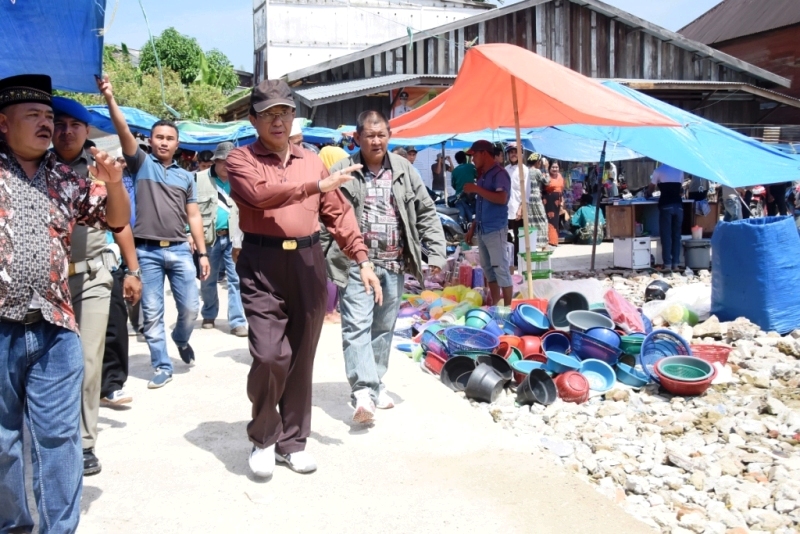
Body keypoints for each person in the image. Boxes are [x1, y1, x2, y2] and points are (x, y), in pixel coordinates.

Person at [226, 79, 381, 478]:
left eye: (284, 112)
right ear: (253, 119)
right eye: (268, 114)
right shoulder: (241, 160)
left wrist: (361, 258)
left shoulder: (312, 160)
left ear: (294, 117)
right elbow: (261, 195)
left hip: (308, 263)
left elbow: (339, 213)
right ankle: (263, 438)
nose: (277, 121)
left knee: (300, 358)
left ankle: (292, 442)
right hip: (261, 264)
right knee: (269, 355)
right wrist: (314, 186)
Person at [0, 74, 130, 533]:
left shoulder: (65, 178)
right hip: (1, 327)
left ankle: (60, 528)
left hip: (55, 327)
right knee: (3, 442)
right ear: (3, 122)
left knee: (60, 437)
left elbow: (115, 219)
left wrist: (114, 182)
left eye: (49, 116)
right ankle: (13, 526)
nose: (45, 124)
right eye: (33, 115)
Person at [326, 110, 446, 424]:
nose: (376, 141)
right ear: (357, 138)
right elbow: (327, 214)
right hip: (356, 264)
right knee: (356, 326)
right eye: (370, 135)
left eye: (381, 135)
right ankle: (362, 393)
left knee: (383, 329)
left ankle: (376, 383)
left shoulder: (404, 169)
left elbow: (426, 211)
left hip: (393, 264)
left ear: (389, 136)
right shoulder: (343, 170)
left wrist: (436, 253)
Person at [98, 74, 211, 389]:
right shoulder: (140, 164)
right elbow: (122, 129)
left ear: (177, 143)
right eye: (158, 137)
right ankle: (162, 365)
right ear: (150, 140)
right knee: (151, 312)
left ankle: (181, 338)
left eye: (169, 138)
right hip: (145, 251)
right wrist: (110, 97)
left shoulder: (186, 178)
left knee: (191, 307)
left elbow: (194, 215)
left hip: (178, 249)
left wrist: (202, 252)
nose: (163, 142)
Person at [51, 96, 142, 476]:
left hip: (91, 277)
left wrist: (133, 270)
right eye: (59, 123)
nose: (66, 131)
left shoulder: (100, 171)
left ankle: (85, 442)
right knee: (51, 364)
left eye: (75, 125)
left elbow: (119, 224)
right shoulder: (32, 168)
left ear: (87, 131)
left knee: (89, 362)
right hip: (48, 281)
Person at [196, 142, 247, 337]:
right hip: (209, 238)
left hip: (235, 237)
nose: (227, 166)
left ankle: (237, 321)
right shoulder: (198, 179)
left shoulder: (241, 180)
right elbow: (188, 209)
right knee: (208, 278)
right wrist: (188, 233)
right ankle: (209, 314)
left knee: (236, 279)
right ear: (215, 161)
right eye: (223, 161)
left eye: (231, 162)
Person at [464, 140, 512, 305]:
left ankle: (507, 309)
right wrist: (473, 227)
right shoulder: (483, 175)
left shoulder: (500, 174)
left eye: (474, 155)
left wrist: (476, 189)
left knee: (501, 269)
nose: (473, 159)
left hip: (496, 228)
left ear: (484, 153)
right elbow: (481, 205)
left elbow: (501, 198)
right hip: (483, 229)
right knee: (489, 271)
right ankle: (496, 305)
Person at [318, 145, 351, 324]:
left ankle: (327, 310)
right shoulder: (335, 184)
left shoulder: (322, 181)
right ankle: (329, 311)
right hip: (332, 230)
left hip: (325, 230)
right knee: (332, 268)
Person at [647, 163, 685, 272]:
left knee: (666, 235)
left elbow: (651, 187)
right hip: (679, 206)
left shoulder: (658, 170)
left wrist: (648, 193)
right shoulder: (679, 170)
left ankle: (667, 264)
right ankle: (676, 264)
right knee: (676, 236)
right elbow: (680, 188)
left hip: (666, 206)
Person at [505, 143, 530, 270]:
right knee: (506, 236)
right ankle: (508, 262)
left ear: (521, 154)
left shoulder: (525, 170)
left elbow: (526, 192)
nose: (513, 154)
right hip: (506, 208)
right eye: (511, 152)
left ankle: (518, 263)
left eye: (516, 152)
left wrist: (521, 208)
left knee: (519, 237)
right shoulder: (506, 169)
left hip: (518, 209)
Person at [526, 153, 550, 249]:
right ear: (537, 162)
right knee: (542, 220)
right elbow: (547, 181)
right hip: (536, 198)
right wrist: (546, 169)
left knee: (531, 221)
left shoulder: (526, 171)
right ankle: (543, 244)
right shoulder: (537, 171)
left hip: (528, 198)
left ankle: (533, 243)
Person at [451, 150, 477, 228]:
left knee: (461, 219)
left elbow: (453, 185)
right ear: (465, 158)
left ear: (457, 160)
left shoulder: (454, 171)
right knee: (474, 216)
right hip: (471, 198)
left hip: (459, 198)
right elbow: (478, 176)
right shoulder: (471, 167)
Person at [542, 160, 565, 247]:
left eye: (556, 167)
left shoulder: (560, 176)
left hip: (557, 201)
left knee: (556, 220)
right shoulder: (546, 176)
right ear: (549, 168)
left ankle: (554, 240)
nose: (555, 169)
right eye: (553, 167)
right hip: (548, 200)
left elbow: (562, 190)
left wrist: (562, 202)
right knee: (549, 220)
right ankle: (549, 240)